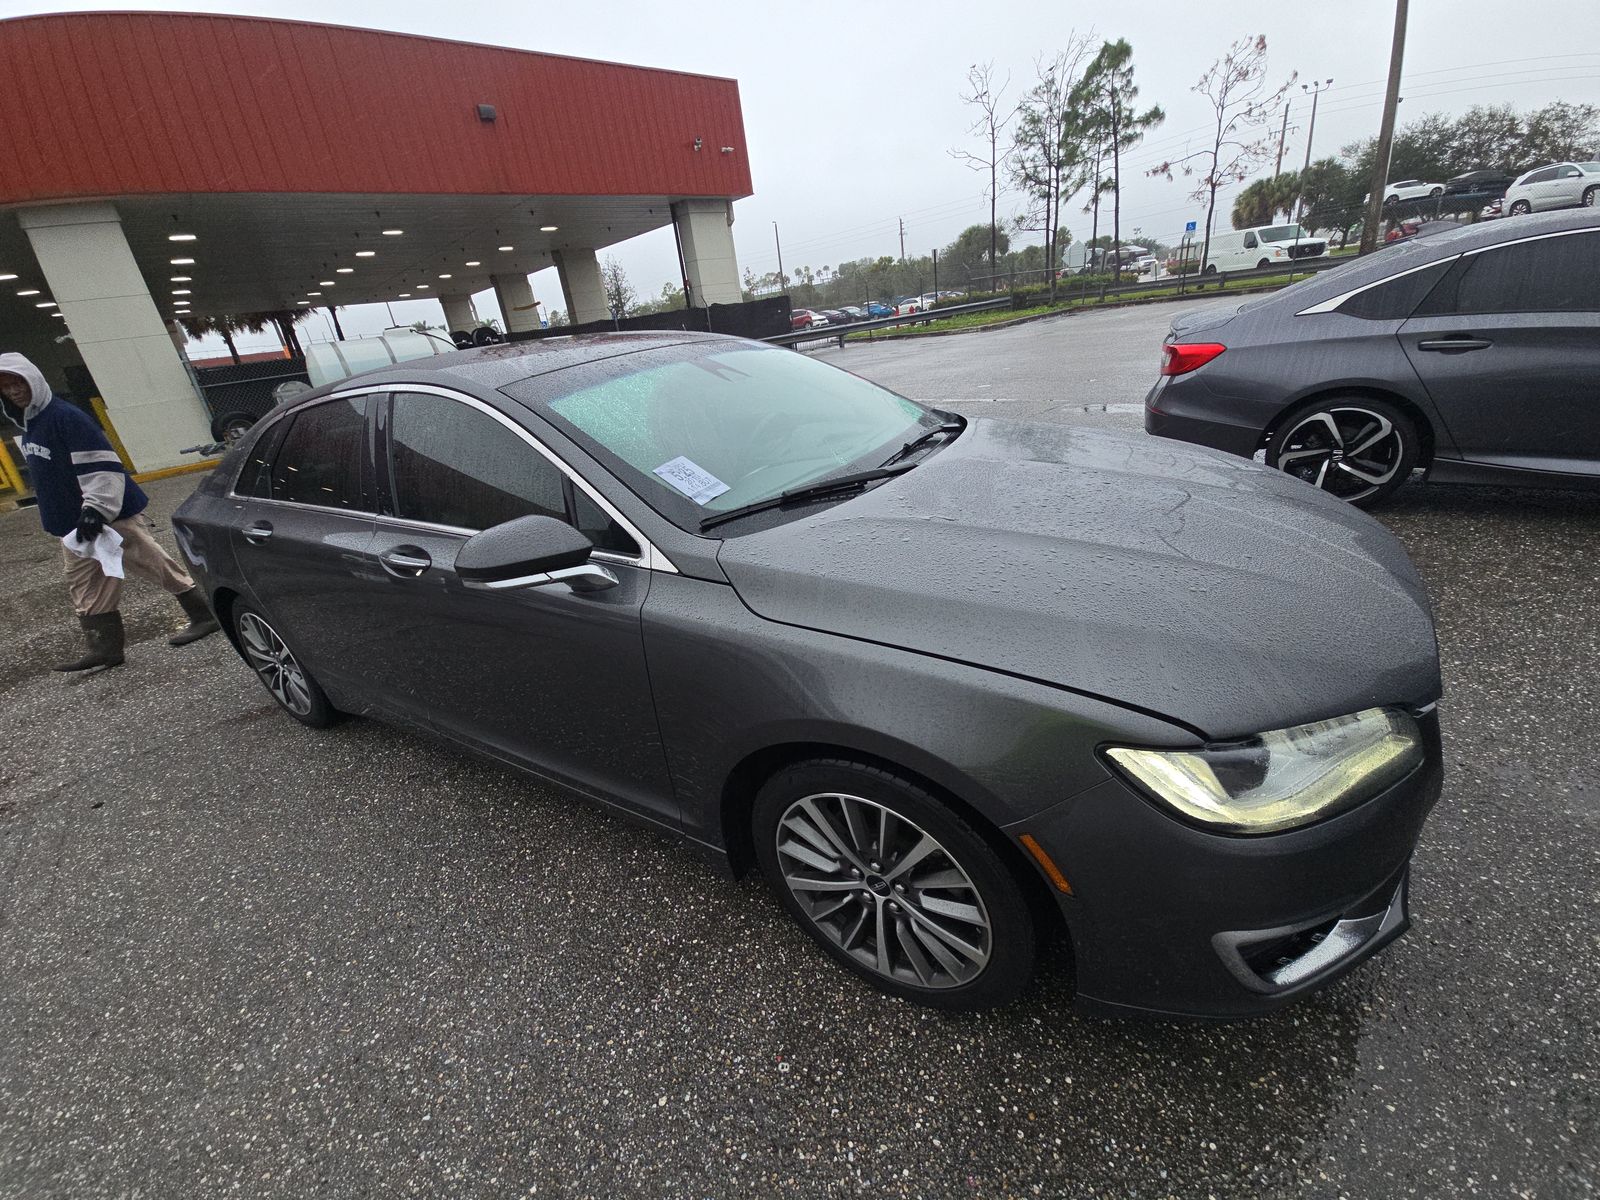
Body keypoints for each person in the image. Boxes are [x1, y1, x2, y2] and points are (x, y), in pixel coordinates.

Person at [0, 352, 219, 671]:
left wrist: (96, 510)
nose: (14, 391)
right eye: (6, 387)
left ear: (33, 379)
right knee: (84, 582)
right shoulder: (31, 423)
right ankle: (105, 647)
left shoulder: (65, 417)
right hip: (73, 526)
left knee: (151, 563)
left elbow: (102, 466)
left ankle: (204, 615)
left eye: (18, 382)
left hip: (107, 516)